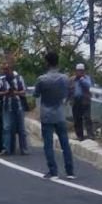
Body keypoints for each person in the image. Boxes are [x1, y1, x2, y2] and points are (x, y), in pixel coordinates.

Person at [33, 52, 75, 180]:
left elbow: (35, 94)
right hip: (60, 112)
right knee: (65, 143)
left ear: (47, 62)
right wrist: (65, 101)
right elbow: (70, 91)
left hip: (46, 114)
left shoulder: (42, 79)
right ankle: (70, 171)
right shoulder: (64, 78)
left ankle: (53, 171)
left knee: (48, 144)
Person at [0, 62, 28, 156]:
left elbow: (24, 90)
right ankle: (7, 149)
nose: (5, 71)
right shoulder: (2, 80)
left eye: (7, 69)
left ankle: (24, 149)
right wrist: (5, 93)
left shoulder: (19, 78)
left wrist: (16, 93)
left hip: (19, 106)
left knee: (21, 129)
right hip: (7, 106)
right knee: (7, 128)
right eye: (4, 69)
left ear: (11, 69)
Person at [69, 63, 94, 141]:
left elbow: (89, 86)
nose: (80, 72)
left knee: (87, 118)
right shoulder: (72, 79)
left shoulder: (87, 78)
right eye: (78, 71)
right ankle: (80, 136)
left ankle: (90, 135)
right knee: (77, 119)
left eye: (81, 71)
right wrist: (67, 99)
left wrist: (82, 80)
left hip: (85, 100)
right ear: (76, 71)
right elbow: (68, 89)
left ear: (84, 71)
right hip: (75, 101)